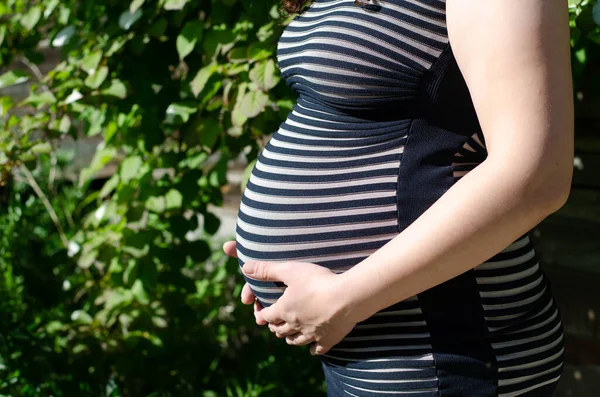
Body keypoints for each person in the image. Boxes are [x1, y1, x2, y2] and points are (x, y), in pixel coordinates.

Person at [223, 0, 573, 395]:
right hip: (375, 345)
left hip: (445, 348)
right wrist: (276, 263)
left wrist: (344, 296)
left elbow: (538, 175)